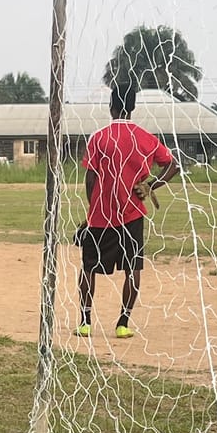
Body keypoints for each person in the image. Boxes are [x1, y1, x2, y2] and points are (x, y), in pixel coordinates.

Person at [74, 84, 178, 339]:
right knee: (133, 269)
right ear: (132, 108)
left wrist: (91, 211)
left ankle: (85, 321)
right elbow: (173, 166)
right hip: (132, 215)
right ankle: (123, 323)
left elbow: (90, 179)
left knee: (88, 267)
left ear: (111, 106)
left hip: (100, 215)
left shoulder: (99, 137)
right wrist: (152, 184)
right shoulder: (145, 137)